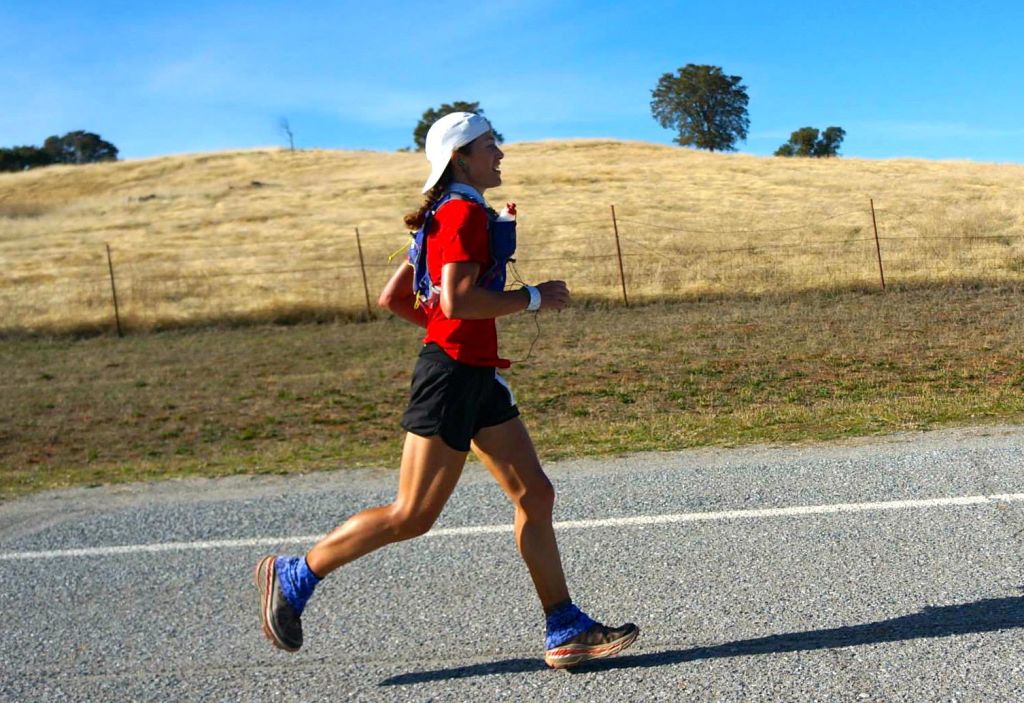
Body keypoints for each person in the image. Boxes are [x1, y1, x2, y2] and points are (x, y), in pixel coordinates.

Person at [254, 112, 638, 669]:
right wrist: (531, 298)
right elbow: (455, 302)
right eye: (489, 146)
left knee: (536, 494)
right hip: (452, 379)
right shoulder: (458, 214)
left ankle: (564, 626)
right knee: (411, 515)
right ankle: (295, 575)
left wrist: (462, 329)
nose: (500, 154)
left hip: (475, 375)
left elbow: (397, 299)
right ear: (460, 156)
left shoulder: (448, 213)